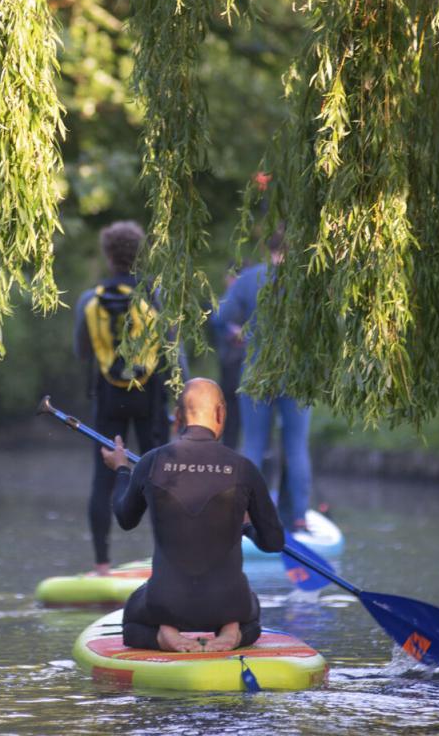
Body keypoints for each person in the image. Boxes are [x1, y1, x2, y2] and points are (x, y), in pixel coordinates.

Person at [101, 378, 284, 652]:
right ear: (221, 414)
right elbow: (274, 542)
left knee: (131, 623)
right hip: (229, 603)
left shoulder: (151, 462)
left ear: (177, 417)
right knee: (253, 614)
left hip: (166, 603)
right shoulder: (243, 468)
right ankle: (232, 632)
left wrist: (122, 470)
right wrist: (244, 527)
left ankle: (164, 634)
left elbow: (125, 519)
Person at [74, 220, 173, 574]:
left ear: (108, 254)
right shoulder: (156, 297)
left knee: (102, 479)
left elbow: (82, 352)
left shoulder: (91, 299)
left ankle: (102, 564)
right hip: (150, 395)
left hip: (107, 396)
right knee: (158, 475)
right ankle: (166, 559)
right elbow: (172, 349)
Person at [215, 227, 313, 533]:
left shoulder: (249, 279)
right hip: (296, 375)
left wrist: (237, 334)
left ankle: (245, 516)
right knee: (296, 447)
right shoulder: (307, 280)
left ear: (266, 247)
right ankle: (298, 518)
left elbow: (220, 317)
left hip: (257, 371)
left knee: (254, 445)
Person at [209, 265, 247, 450]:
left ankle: (234, 449)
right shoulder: (227, 301)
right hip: (230, 364)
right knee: (231, 411)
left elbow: (217, 321)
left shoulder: (234, 301)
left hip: (238, 363)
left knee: (237, 410)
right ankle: (230, 449)